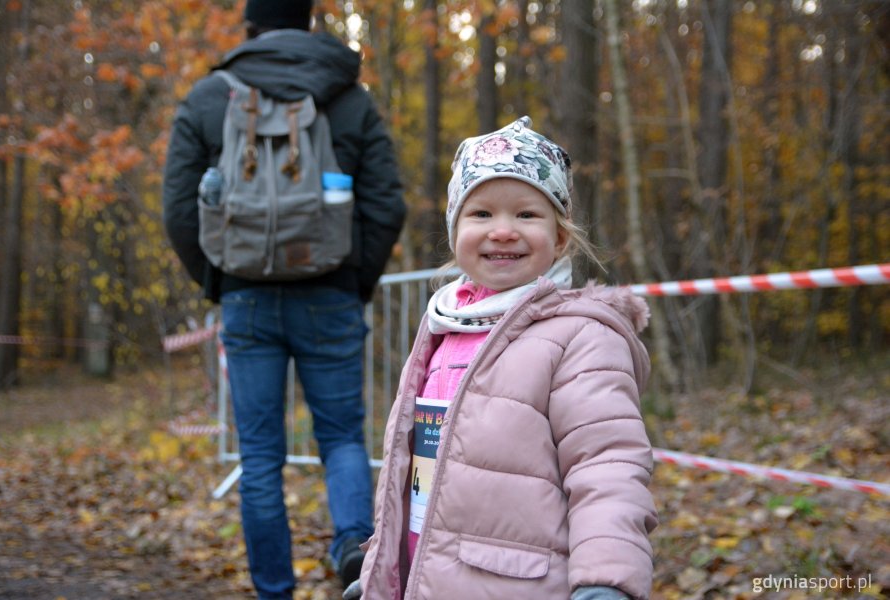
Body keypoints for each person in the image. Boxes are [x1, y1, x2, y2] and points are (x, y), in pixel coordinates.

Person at [345, 117, 657, 600]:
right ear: (455, 232)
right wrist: (381, 573)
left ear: (559, 238)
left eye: (528, 215)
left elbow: (607, 463)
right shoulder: (444, 325)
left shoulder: (581, 336)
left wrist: (605, 578)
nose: (504, 231)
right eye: (482, 214)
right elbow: (414, 473)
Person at [161, 1, 406, 598]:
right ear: (309, 21)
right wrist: (353, 279)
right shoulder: (349, 97)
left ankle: (274, 590)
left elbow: (177, 209)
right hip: (330, 293)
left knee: (261, 455)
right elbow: (386, 205)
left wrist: (220, 281)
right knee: (343, 437)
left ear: (250, 26)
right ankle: (353, 551)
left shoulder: (209, 96)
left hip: (246, 295)